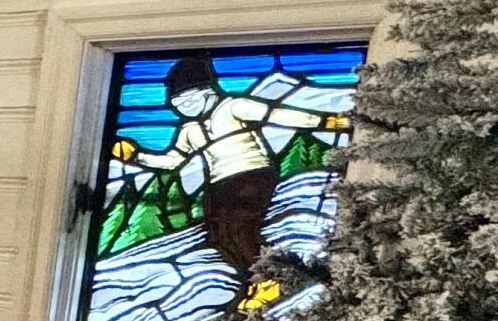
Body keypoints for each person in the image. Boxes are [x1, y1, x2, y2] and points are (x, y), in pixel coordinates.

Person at [110, 51, 354, 272]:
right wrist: (137, 156)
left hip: (251, 174)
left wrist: (326, 122)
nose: (184, 109)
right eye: (177, 105)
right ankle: (254, 277)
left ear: (207, 91)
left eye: (188, 101)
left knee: (240, 227)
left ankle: (274, 275)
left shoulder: (234, 107)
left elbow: (277, 115)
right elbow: (173, 161)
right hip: (220, 184)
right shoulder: (189, 130)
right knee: (219, 234)